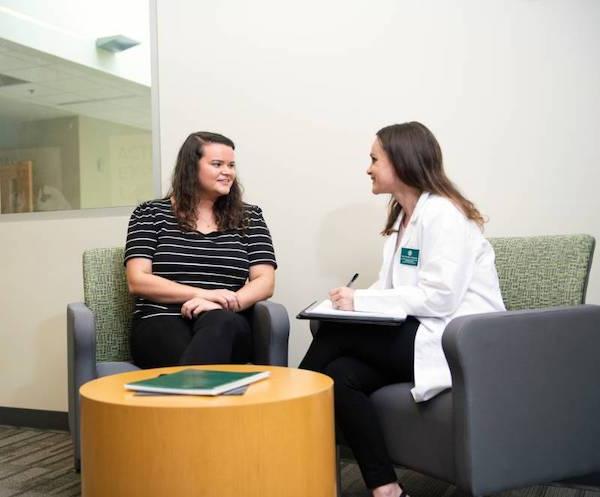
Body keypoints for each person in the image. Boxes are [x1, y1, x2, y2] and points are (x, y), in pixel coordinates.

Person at [300, 122, 505, 497]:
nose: (368, 168)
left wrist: (359, 302)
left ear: (401, 161)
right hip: (419, 333)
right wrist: (348, 300)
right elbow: (392, 288)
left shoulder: (443, 214)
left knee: (336, 332)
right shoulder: (402, 218)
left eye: (374, 159)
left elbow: (442, 296)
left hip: (458, 341)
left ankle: (285, 419)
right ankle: (387, 489)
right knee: (341, 374)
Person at [124, 131, 277, 369]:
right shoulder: (150, 214)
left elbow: (265, 281)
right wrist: (204, 294)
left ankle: (184, 395)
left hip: (227, 318)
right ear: (190, 167)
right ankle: (200, 393)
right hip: (161, 319)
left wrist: (229, 302)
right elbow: (138, 280)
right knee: (192, 355)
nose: (227, 172)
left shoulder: (250, 217)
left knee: (221, 324)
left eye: (231, 165)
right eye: (217, 164)